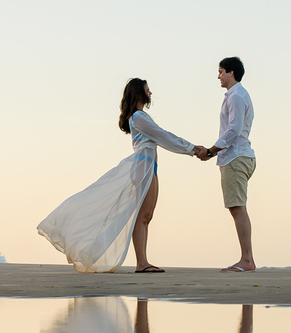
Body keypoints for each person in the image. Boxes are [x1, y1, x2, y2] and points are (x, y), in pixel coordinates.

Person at [38, 78, 206, 273]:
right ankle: (142, 263)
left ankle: (143, 261)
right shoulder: (138, 117)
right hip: (143, 167)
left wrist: (191, 149)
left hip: (149, 166)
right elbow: (163, 136)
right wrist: (192, 149)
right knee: (142, 216)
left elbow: (162, 137)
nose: (151, 93)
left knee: (146, 215)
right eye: (147, 90)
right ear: (138, 93)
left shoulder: (141, 117)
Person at [197, 57, 256, 272]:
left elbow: (234, 129)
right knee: (237, 207)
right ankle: (246, 258)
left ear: (231, 72)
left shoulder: (237, 96)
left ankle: (247, 260)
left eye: (221, 71)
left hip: (236, 157)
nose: (218, 76)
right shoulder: (236, 95)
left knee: (238, 208)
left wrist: (211, 151)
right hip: (237, 156)